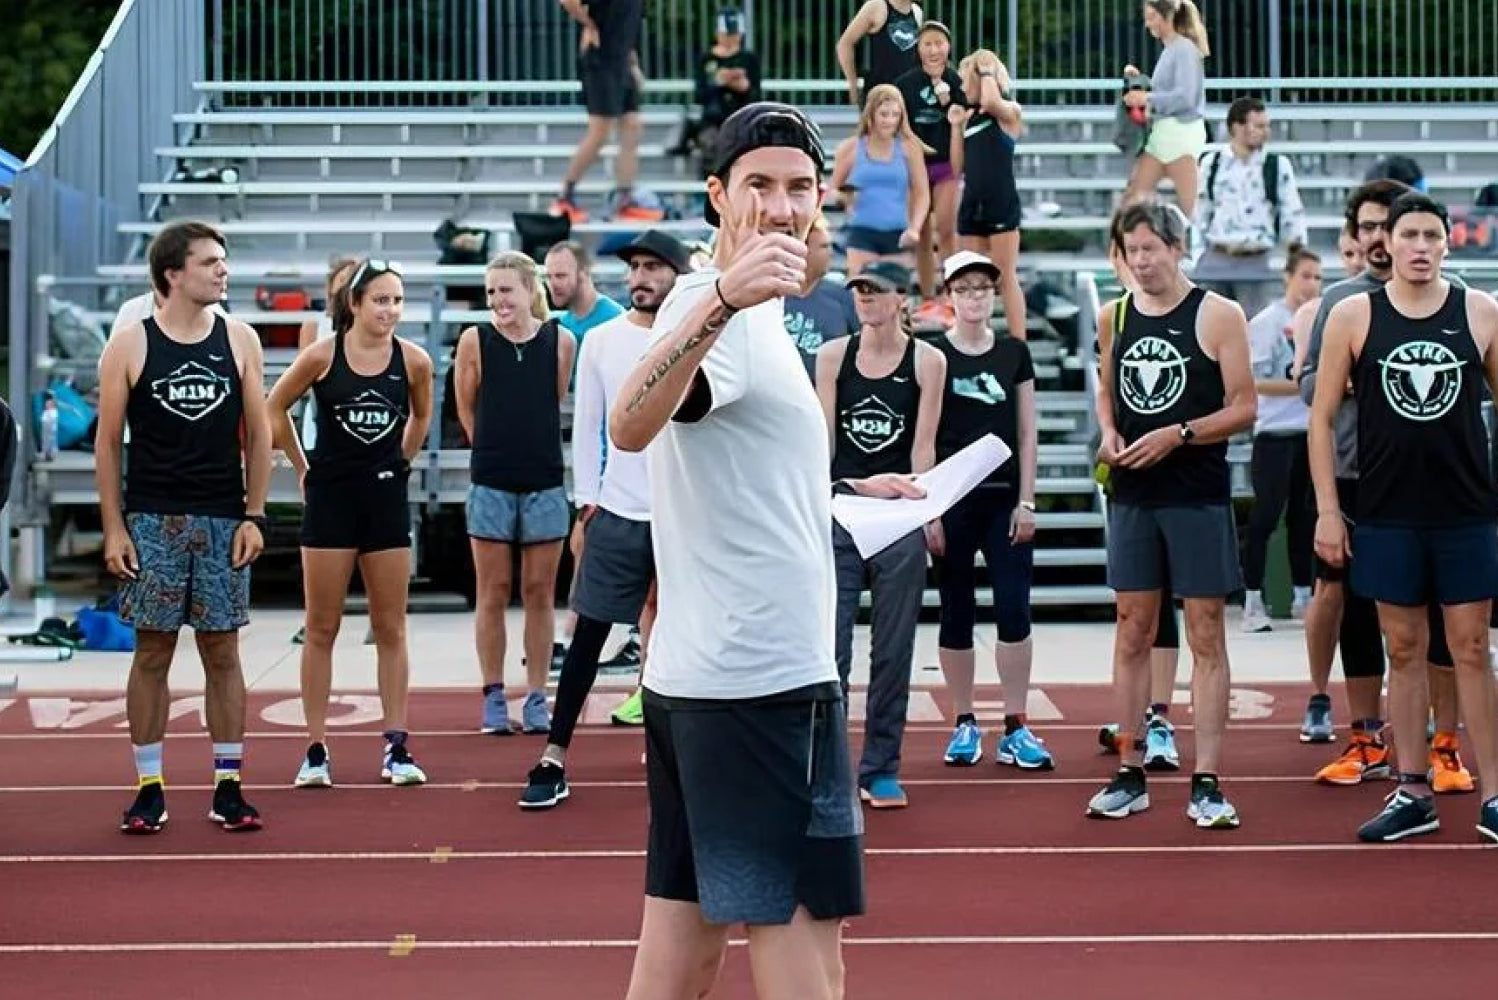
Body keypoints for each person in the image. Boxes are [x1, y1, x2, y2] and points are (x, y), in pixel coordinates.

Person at [608, 101, 925, 1000]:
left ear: (822, 198)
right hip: (759, 684)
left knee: (682, 947)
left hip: (708, 677)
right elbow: (633, 424)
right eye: (759, 187)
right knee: (807, 960)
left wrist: (844, 494)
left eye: (799, 188)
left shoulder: (758, 317)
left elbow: (730, 470)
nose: (782, 208)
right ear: (718, 197)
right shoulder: (723, 307)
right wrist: (719, 299)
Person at [1309, 191, 1498, 844]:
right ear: (1385, 242)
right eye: (1409, 235)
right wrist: (1330, 510)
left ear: (1449, 243)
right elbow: (1321, 416)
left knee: (1472, 649)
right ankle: (1412, 789)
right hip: (1386, 510)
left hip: (1467, 510)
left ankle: (1495, 795)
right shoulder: (1354, 315)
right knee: (1405, 648)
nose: (1421, 247)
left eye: (1432, 236)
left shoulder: (1480, 312)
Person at [94, 220, 273, 834]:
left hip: (223, 518)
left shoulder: (240, 339)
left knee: (222, 650)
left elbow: (260, 434)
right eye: (210, 262)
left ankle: (229, 785)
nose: (223, 271)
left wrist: (255, 514)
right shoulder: (129, 343)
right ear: (174, 273)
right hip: (151, 518)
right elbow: (107, 446)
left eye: (223, 261)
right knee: (153, 651)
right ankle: (149, 788)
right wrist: (114, 528)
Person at [1088, 199, 1256, 829]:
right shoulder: (1116, 315)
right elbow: (1108, 392)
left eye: (1151, 249)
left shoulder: (1218, 314)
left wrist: (1179, 434)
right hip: (1132, 492)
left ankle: (1207, 780)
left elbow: (1244, 408)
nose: (1142, 261)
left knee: (1206, 632)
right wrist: (1108, 433)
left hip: (1195, 492)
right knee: (1132, 626)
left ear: (1178, 247)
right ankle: (1129, 769)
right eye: (1131, 251)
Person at [518, 230, 692, 810]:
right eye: (636, 267)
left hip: (685, 514)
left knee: (682, 638)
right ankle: (554, 754)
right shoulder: (602, 341)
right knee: (588, 635)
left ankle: (677, 753)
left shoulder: (697, 337)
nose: (641, 277)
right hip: (617, 512)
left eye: (654, 267)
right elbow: (588, 426)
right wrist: (586, 503)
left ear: (677, 275)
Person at [265, 258, 435, 789]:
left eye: (398, 300)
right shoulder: (322, 355)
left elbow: (421, 414)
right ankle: (315, 749)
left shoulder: (414, 361)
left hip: (383, 498)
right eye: (380, 299)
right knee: (321, 626)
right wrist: (302, 467)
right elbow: (274, 407)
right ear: (354, 304)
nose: (390, 310)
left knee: (391, 626)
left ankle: (396, 744)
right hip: (331, 498)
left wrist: (401, 464)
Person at [815, 260, 945, 810]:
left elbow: (923, 446)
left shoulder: (927, 360)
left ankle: (881, 766)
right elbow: (821, 439)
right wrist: (836, 490)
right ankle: (827, 769)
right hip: (843, 507)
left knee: (893, 650)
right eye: (859, 291)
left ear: (902, 300)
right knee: (830, 651)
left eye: (875, 291)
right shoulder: (832, 356)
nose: (865, 300)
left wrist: (929, 512)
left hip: (898, 516)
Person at [928, 250, 1051, 771]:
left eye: (982, 288)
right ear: (949, 296)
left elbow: (1026, 430)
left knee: (1013, 607)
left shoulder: (1013, 353)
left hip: (1004, 499)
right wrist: (929, 508)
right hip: (953, 499)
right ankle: (963, 721)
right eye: (964, 289)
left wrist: (1027, 499)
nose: (974, 297)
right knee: (956, 609)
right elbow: (925, 438)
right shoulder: (932, 354)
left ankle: (1017, 723)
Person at [454, 251, 577, 736]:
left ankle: (535, 695)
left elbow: (555, 399)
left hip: (545, 480)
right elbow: (468, 409)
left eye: (506, 289)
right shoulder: (475, 340)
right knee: (493, 590)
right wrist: (492, 450)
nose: (497, 300)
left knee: (540, 592)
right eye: (491, 292)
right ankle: (492, 694)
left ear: (530, 289)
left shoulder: (560, 340)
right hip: (491, 481)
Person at [1239, 246, 1322, 632]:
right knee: (1266, 516)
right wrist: (1300, 387)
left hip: (1309, 432)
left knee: (1306, 519)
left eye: (1318, 277)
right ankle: (1252, 599)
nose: (1312, 285)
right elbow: (1253, 382)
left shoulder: (1321, 319)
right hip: (1274, 431)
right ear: (1288, 277)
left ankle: (1303, 597)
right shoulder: (1267, 323)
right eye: (1305, 276)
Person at [1192, 96, 1309, 321]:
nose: (1266, 132)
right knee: (1209, 325)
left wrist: (1296, 253)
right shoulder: (1212, 163)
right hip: (1217, 256)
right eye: (1259, 126)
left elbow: (1291, 211)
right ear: (1237, 127)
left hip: (1255, 258)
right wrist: (1199, 255)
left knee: (1254, 327)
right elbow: (1201, 211)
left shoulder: (1276, 165)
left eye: (1267, 126)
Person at [949, 48, 1028, 341]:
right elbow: (958, 167)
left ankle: (1019, 341)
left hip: (1000, 201)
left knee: (1005, 275)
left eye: (965, 80)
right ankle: (973, 337)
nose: (961, 87)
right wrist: (956, 127)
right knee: (966, 276)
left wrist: (985, 69)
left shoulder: (1008, 112)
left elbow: (991, 101)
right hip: (972, 202)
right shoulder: (969, 118)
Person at [553, 0, 654, 223]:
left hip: (622, 60)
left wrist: (632, 61)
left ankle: (625, 197)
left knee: (633, 126)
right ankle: (565, 196)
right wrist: (589, 24)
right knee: (601, 131)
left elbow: (625, 23)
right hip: (600, 59)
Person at [893, 20, 965, 323]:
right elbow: (898, 125)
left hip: (947, 165)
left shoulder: (958, 80)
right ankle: (927, 297)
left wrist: (946, 96)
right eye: (927, 44)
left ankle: (950, 296)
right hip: (917, 167)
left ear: (948, 46)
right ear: (918, 48)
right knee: (921, 233)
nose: (934, 49)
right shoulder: (905, 84)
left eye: (939, 43)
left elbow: (963, 119)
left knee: (947, 230)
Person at [827, 83, 931, 277]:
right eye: (884, 114)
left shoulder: (909, 148)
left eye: (895, 115)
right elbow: (832, 189)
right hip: (861, 231)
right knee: (863, 288)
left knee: (895, 293)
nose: (889, 121)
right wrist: (844, 197)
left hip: (898, 232)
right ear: (871, 114)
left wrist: (915, 228)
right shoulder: (850, 148)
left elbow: (922, 193)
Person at [1121, 0, 1211, 221]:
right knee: (1134, 202)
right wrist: (1140, 82)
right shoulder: (1173, 50)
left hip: (1180, 135)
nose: (1147, 23)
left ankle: (1192, 250)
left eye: (1152, 17)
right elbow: (1169, 92)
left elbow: (1185, 97)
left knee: (1189, 208)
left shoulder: (1183, 50)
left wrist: (1147, 98)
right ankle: (1126, 251)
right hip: (1167, 135)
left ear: (1167, 17)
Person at [783, 215, 859, 378]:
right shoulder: (773, 294)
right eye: (824, 247)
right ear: (803, 250)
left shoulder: (844, 297)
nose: (831, 253)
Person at [836, 0, 924, 108]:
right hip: (880, 97)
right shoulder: (877, 6)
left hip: (908, 97)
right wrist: (853, 86)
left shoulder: (916, 11)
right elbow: (845, 44)